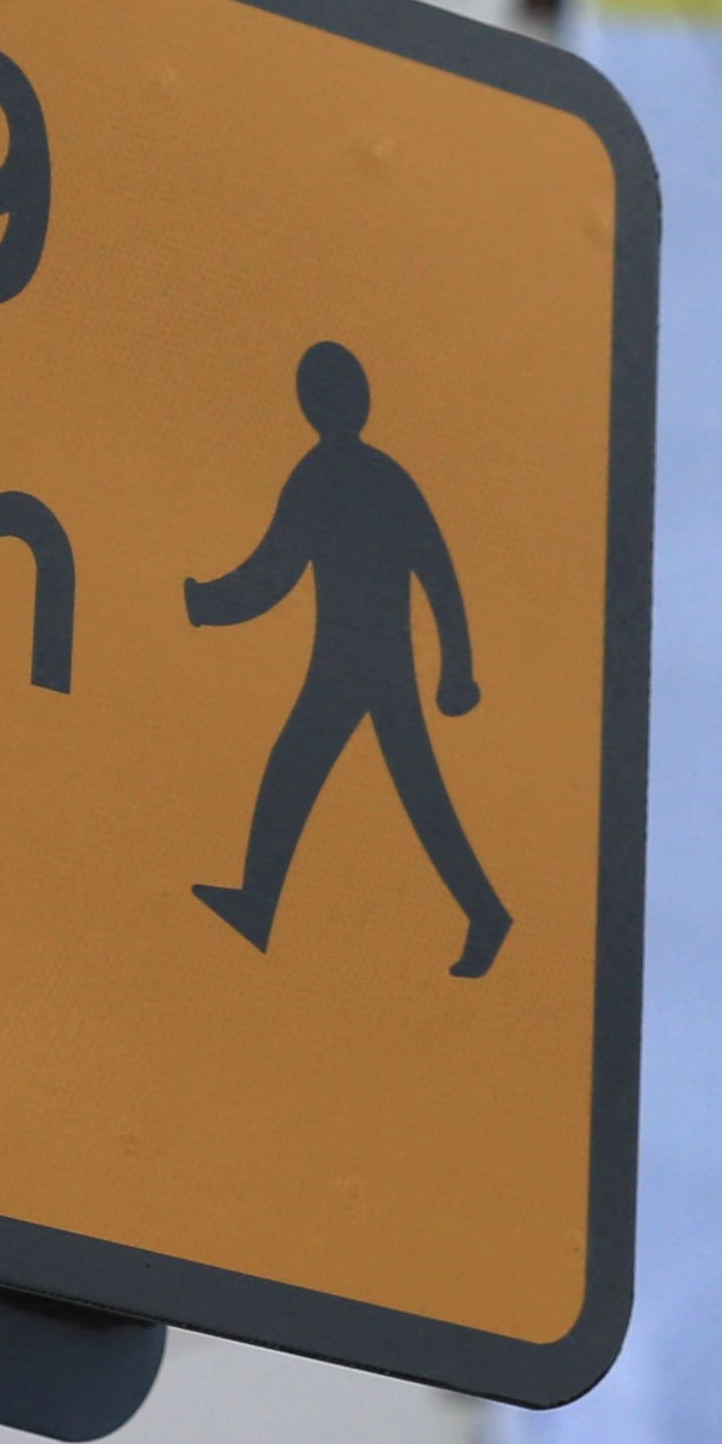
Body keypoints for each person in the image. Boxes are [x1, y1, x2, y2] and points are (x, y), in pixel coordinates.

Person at [183, 343, 510, 979]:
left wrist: (200, 603)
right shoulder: (380, 475)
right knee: (321, 777)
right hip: (356, 661)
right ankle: (257, 902)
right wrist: (455, 669)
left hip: (361, 664)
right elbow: (434, 577)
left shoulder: (329, 477)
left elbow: (274, 574)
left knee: (400, 792)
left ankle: (486, 913)